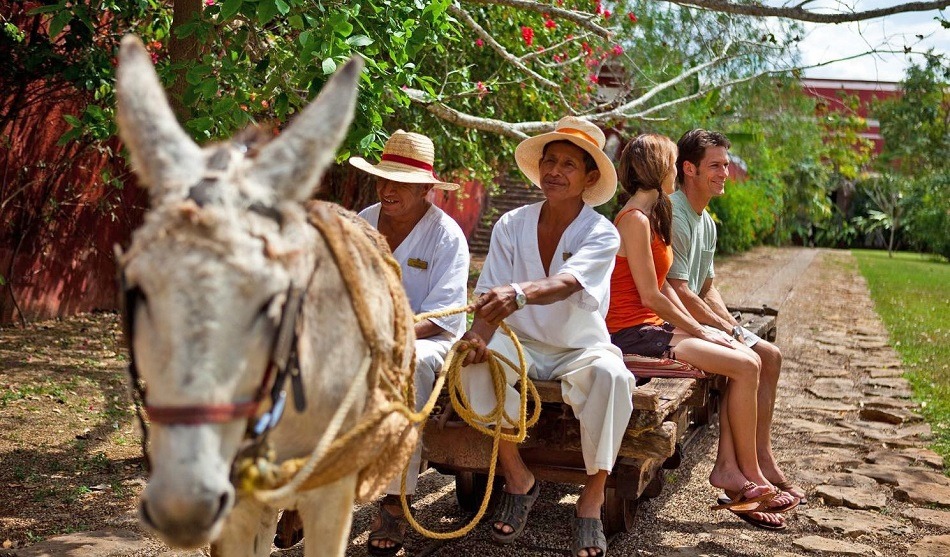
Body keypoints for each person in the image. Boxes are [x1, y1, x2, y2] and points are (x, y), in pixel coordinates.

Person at [273, 130, 470, 556]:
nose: (387, 189)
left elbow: (441, 317)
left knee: (409, 363)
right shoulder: (363, 220)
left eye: (399, 182)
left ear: (425, 190)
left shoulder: (446, 236)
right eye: (383, 179)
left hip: (425, 339)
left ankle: (396, 502)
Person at [460, 116, 634, 557]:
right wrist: (476, 340)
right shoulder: (511, 224)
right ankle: (518, 478)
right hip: (518, 342)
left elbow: (567, 283)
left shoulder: (601, 232)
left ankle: (591, 501)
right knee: (473, 366)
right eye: (549, 161)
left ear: (590, 177)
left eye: (568, 165)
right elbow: (488, 300)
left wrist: (518, 293)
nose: (555, 171)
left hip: (579, 347)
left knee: (613, 378)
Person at [604, 134, 798, 530]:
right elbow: (654, 295)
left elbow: (678, 290)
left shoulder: (647, 217)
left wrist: (717, 329)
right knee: (744, 365)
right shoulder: (633, 220)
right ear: (658, 169)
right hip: (632, 335)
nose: (677, 172)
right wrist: (702, 331)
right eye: (673, 164)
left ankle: (738, 470)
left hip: (650, 329)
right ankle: (745, 477)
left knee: (745, 359)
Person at [669, 129, 806, 520]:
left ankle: (759, 456)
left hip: (698, 319)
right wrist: (726, 332)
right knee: (746, 359)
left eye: (726, 165)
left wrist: (733, 326)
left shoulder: (707, 222)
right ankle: (743, 473)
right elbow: (678, 291)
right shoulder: (675, 213)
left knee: (771, 355)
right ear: (689, 168)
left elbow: (707, 287)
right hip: (673, 324)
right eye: (716, 165)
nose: (725, 172)